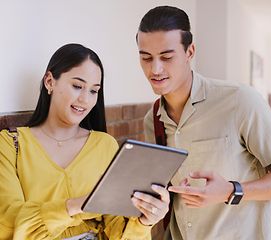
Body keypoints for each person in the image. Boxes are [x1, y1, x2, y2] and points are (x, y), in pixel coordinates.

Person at [136, 6, 271, 240]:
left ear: (190, 52)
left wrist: (231, 191)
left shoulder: (239, 100)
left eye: (166, 57)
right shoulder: (152, 119)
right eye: (146, 58)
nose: (155, 69)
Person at [0, 43, 170, 240]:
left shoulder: (104, 145)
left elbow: (117, 227)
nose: (85, 99)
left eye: (93, 91)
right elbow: (8, 223)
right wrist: (77, 205)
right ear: (49, 81)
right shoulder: (11, 144)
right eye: (77, 86)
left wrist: (143, 221)